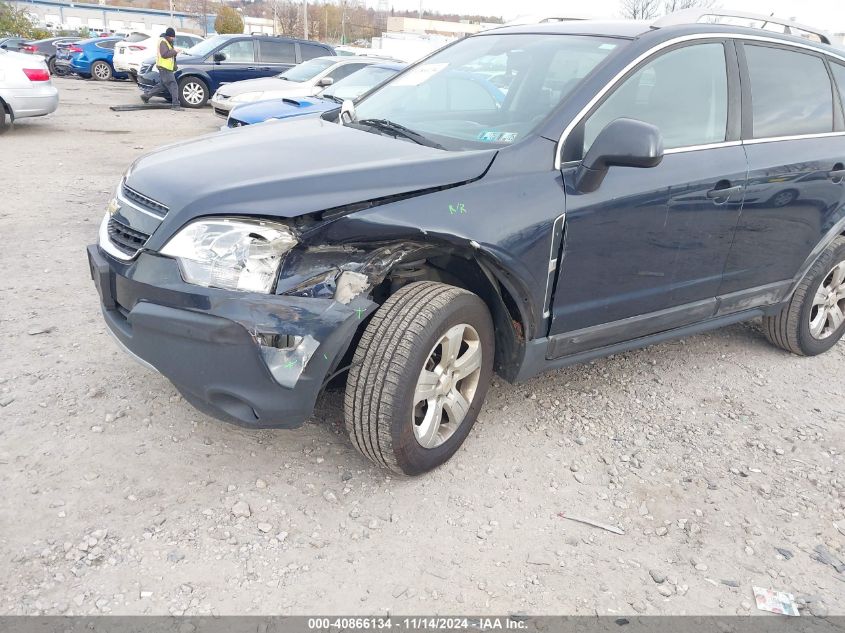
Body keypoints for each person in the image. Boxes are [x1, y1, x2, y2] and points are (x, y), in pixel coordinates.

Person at [157, 28, 182, 111]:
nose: (173, 38)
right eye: (172, 37)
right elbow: (164, 54)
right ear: (168, 36)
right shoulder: (163, 42)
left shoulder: (167, 41)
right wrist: (175, 51)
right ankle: (175, 105)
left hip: (165, 67)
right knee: (173, 85)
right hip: (165, 67)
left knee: (162, 85)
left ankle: (146, 96)